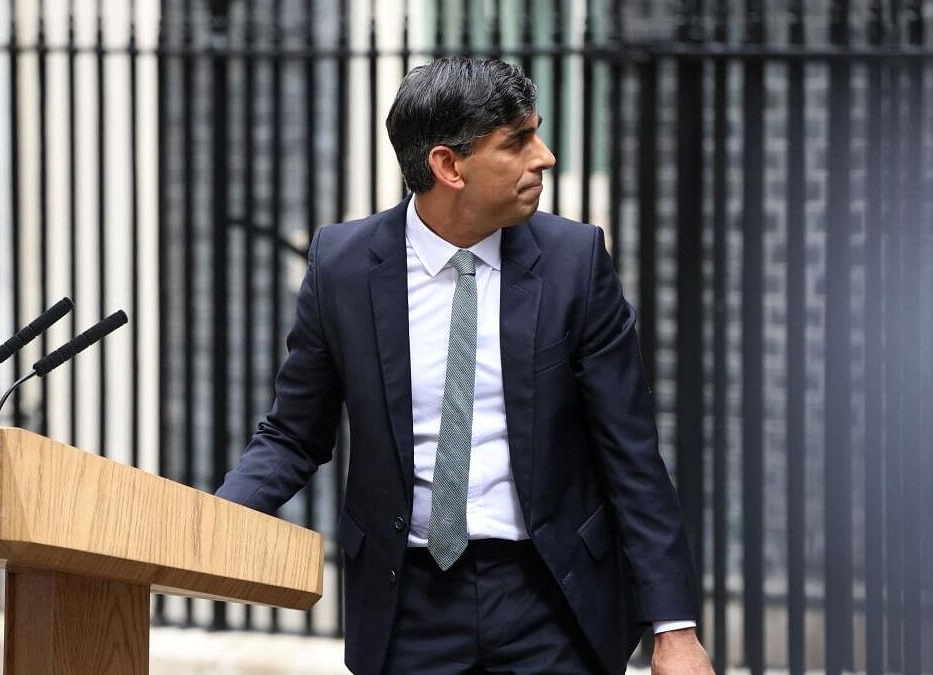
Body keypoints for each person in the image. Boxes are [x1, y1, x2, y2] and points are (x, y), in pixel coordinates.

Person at [217, 57, 713, 674]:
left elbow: (630, 450)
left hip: (552, 601)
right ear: (448, 166)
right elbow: (294, 433)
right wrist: (215, 523)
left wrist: (674, 628)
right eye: (517, 141)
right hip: (408, 605)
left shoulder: (575, 263)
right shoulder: (343, 266)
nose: (545, 156)